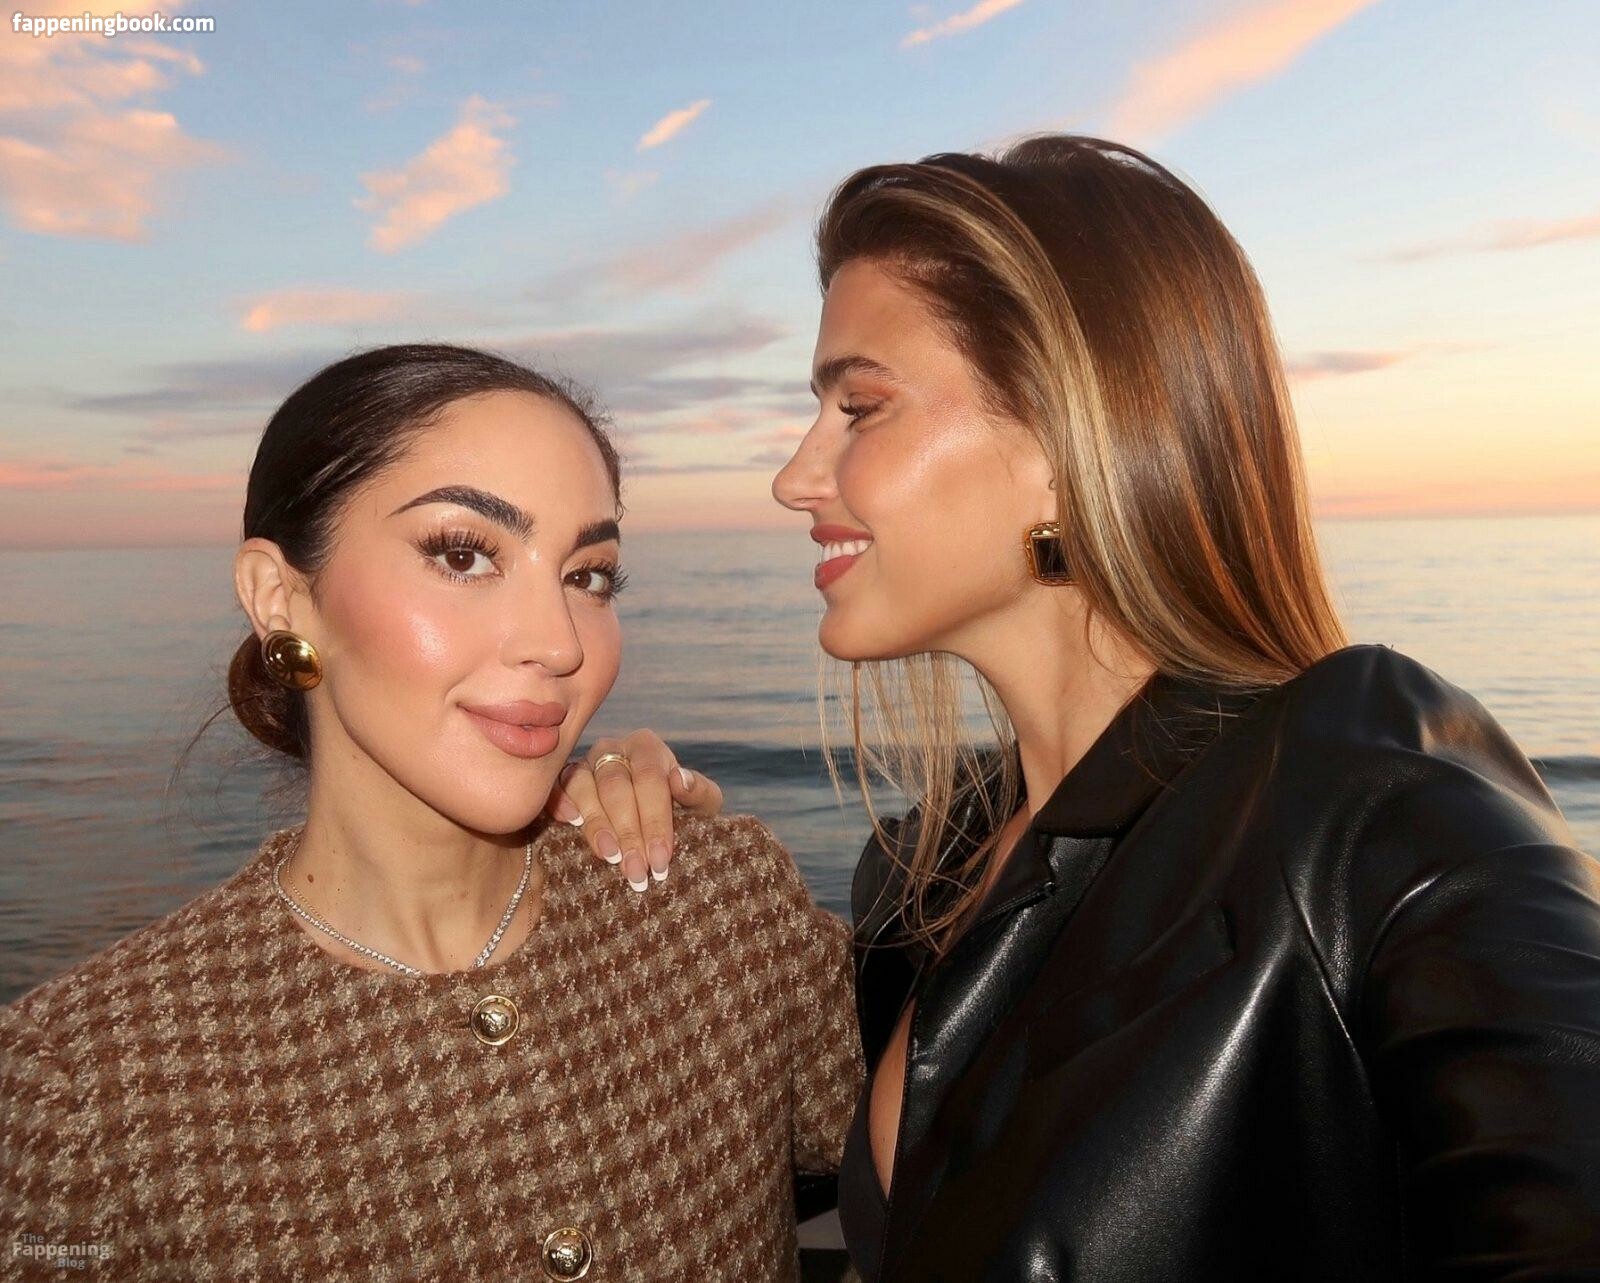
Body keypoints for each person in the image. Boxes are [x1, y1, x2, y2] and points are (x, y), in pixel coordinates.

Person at [553, 134, 1600, 1280]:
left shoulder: (1358, 793)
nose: (793, 477)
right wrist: (615, 851)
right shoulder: (919, 875)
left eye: (860, 406)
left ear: (1062, 435)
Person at [0, 344, 864, 1282]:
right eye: (463, 555)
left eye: (589, 575)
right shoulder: (82, 1086)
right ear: (282, 598)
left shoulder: (722, 907)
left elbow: (955, 1154)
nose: (559, 643)